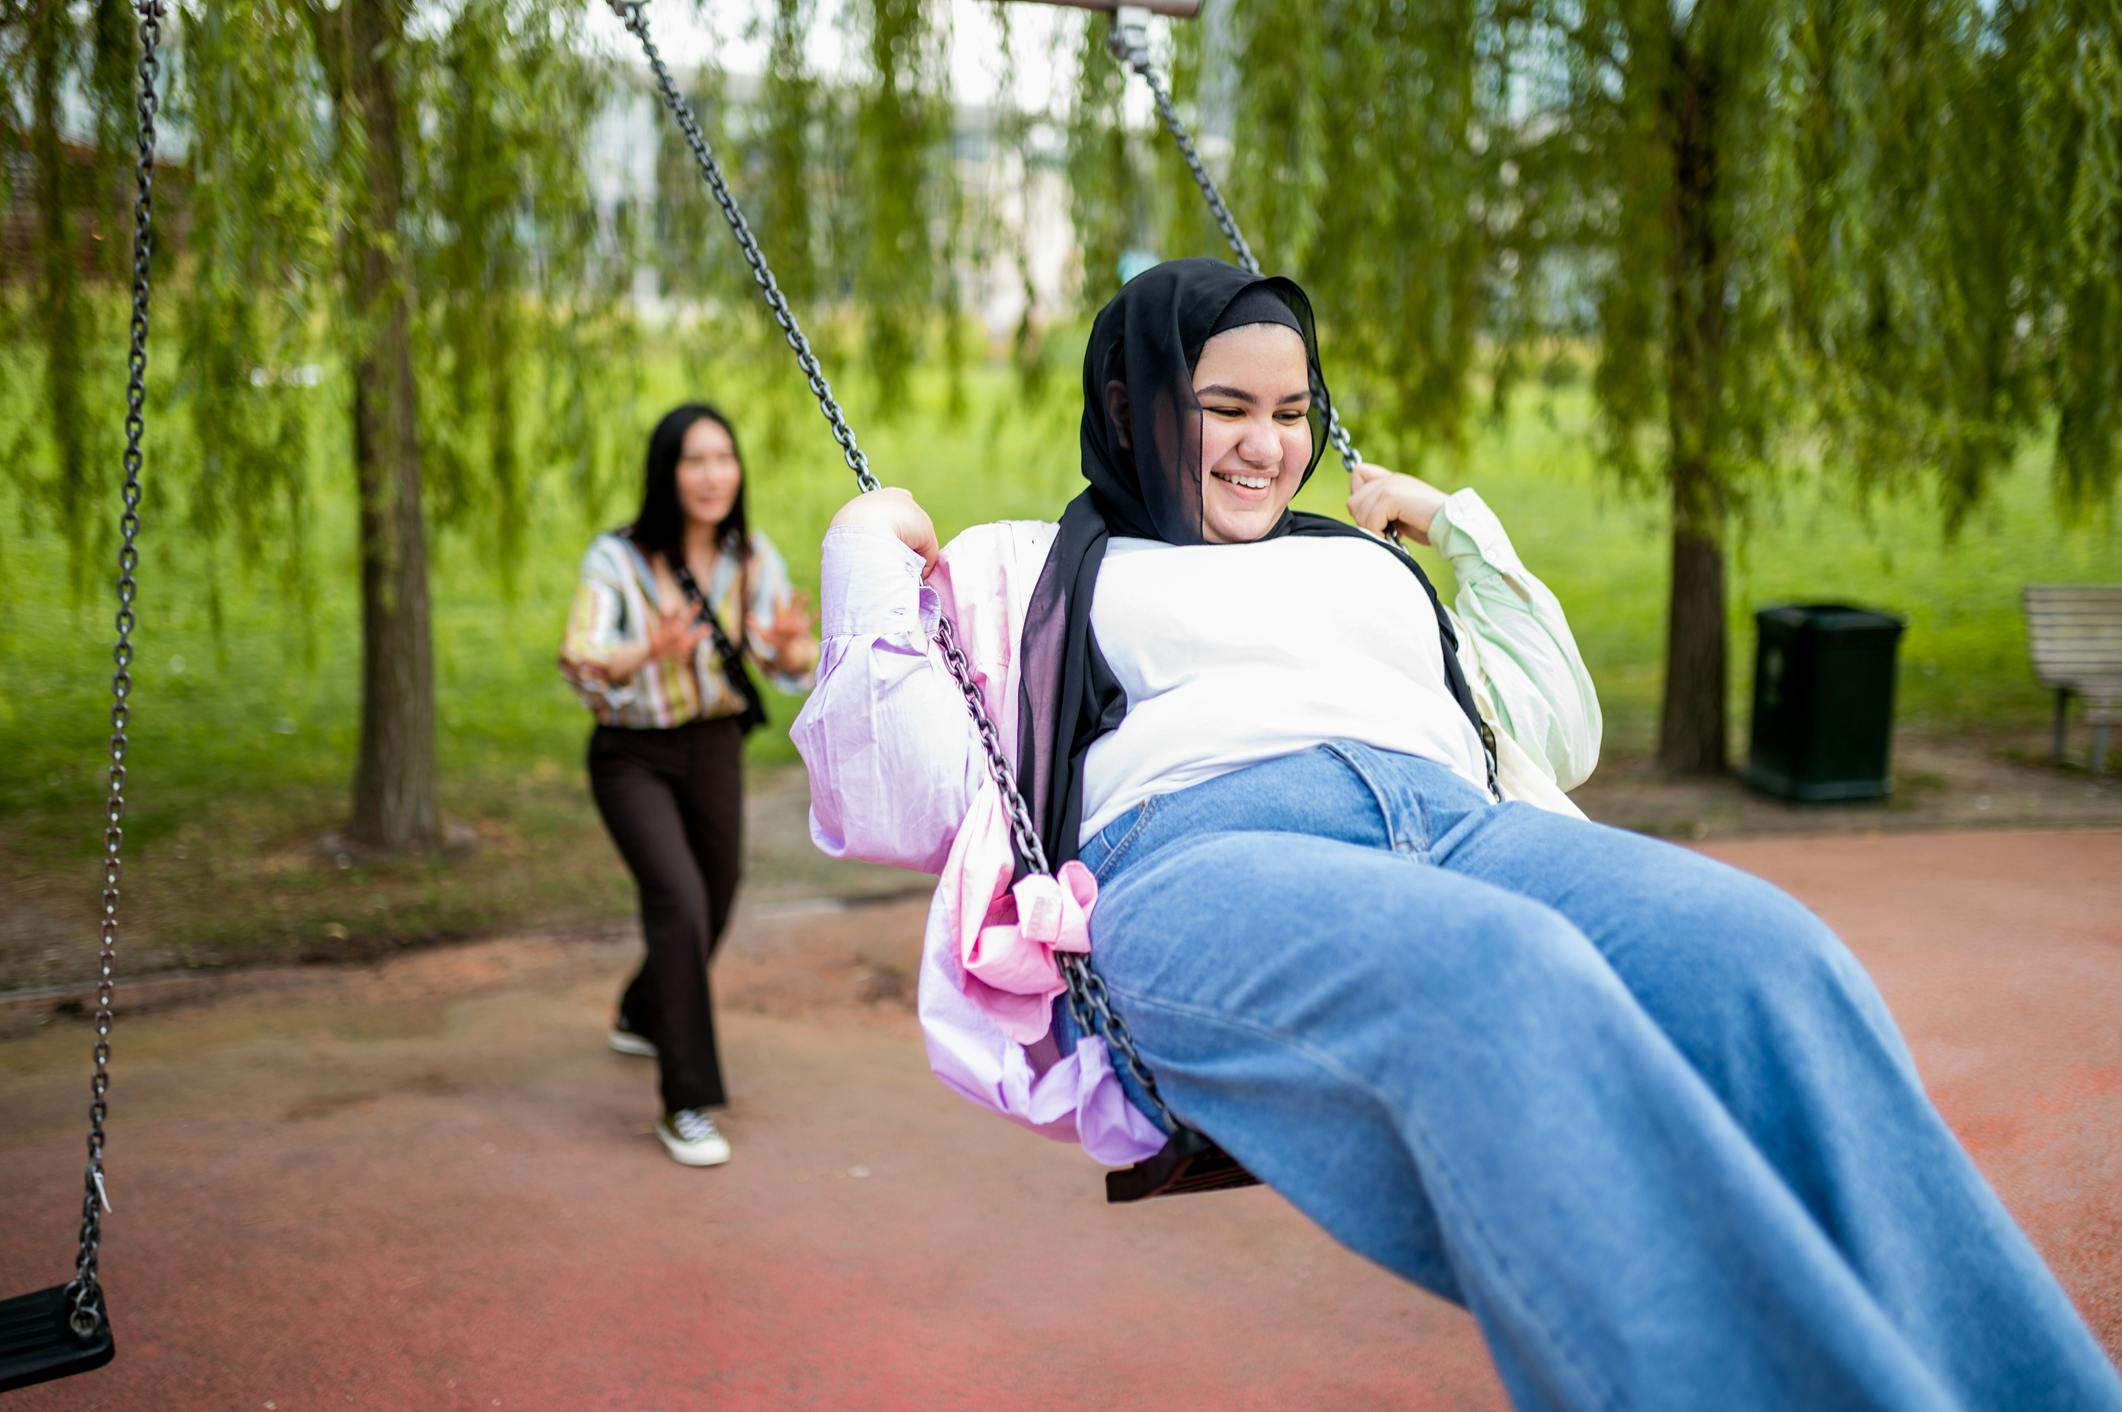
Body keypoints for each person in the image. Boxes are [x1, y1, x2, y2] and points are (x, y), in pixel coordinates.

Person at [791, 260, 2121, 1408]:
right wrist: (864, 548)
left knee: (1768, 957)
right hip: (1203, 859)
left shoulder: (1362, 564)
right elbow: (889, 799)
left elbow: (1550, 722)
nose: (1265, 447)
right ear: (1134, 409)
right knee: (1506, 984)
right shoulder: (1034, 563)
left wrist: (1451, 532)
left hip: (1454, 826)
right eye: (1224, 409)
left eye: (1289, 413)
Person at [561, 402, 816, 1168]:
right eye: (694, 460)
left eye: (723, 459)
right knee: (677, 900)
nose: (712, 476)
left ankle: (643, 1009)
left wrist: (791, 649)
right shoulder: (617, 559)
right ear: (666, 472)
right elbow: (580, 656)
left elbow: (788, 664)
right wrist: (646, 651)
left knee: (719, 891)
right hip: (631, 755)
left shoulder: (750, 557)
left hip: (712, 747)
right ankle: (687, 1102)